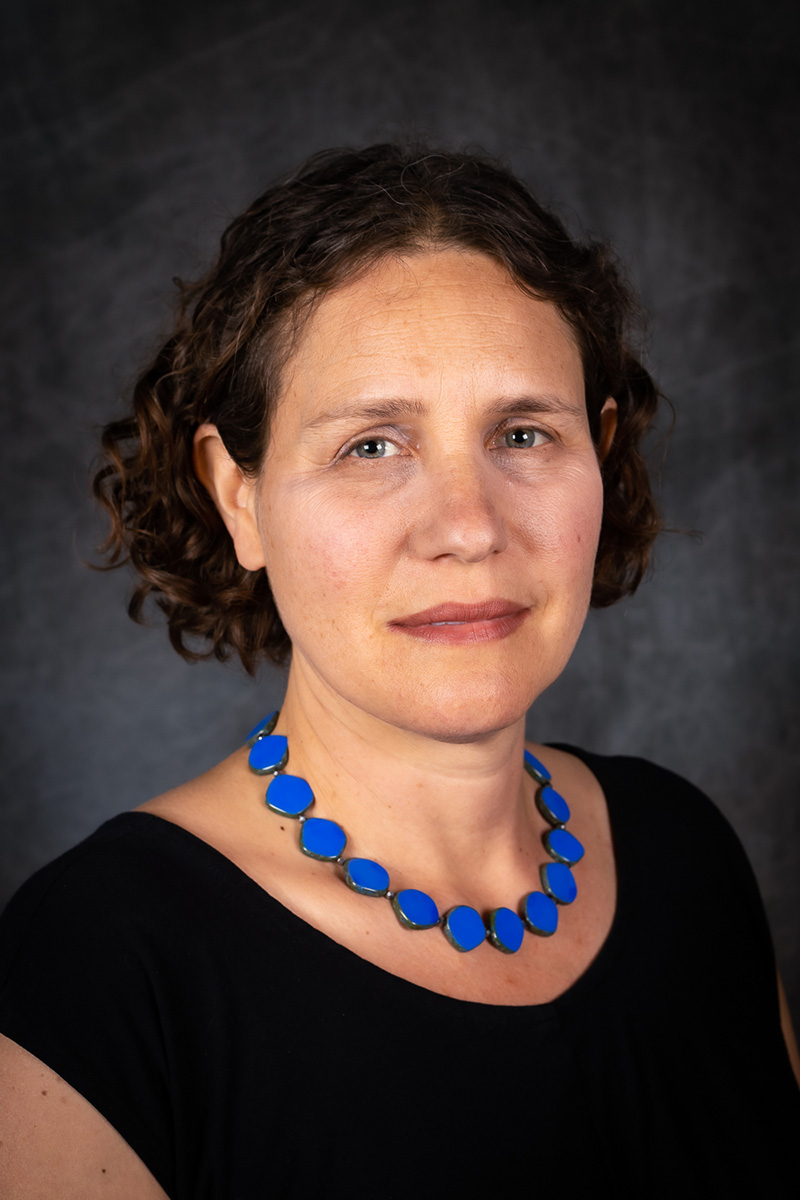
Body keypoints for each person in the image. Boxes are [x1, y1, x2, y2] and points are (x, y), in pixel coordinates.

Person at [0, 143, 798, 1199]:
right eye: (372, 446)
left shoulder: (683, 852)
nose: (468, 528)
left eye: (522, 433)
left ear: (597, 457)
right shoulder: (93, 973)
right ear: (237, 495)